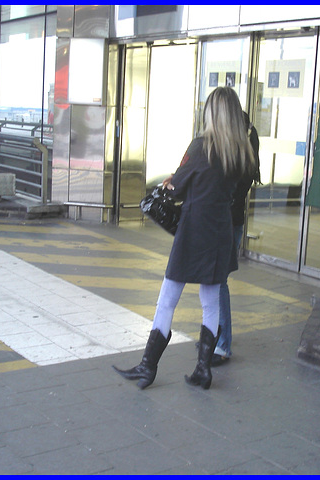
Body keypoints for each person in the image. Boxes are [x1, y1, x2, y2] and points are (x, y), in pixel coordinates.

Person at [113, 87, 257, 390]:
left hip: (193, 231)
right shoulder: (242, 151)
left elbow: (177, 187)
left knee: (168, 299)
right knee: (210, 301)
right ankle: (204, 369)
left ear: (210, 113)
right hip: (220, 231)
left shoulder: (200, 145)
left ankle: (147, 367)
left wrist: (173, 182)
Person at [212, 111, 261, 366]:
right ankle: (215, 336)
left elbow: (229, 189)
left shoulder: (239, 151)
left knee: (218, 283)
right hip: (232, 221)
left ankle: (221, 345)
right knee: (215, 281)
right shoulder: (250, 142)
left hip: (227, 222)